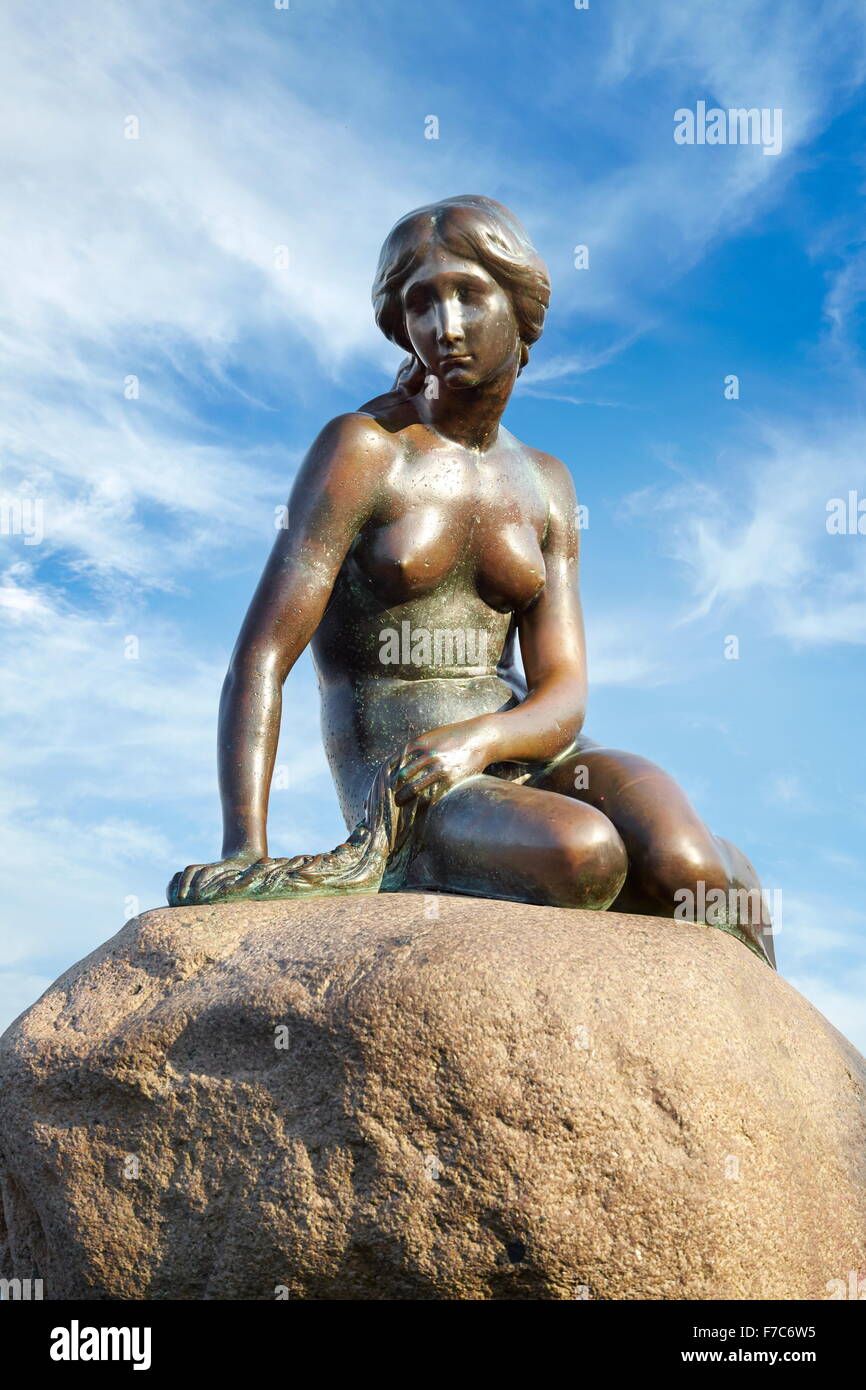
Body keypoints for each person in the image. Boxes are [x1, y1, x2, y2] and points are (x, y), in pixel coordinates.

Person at [169, 195, 774, 967]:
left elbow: (564, 691)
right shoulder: (364, 450)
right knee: (586, 855)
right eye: (421, 303)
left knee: (694, 869)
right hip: (409, 780)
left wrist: (480, 740)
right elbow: (259, 657)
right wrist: (242, 852)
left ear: (520, 308)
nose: (444, 326)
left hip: (523, 748)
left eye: (468, 294)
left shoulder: (548, 484)